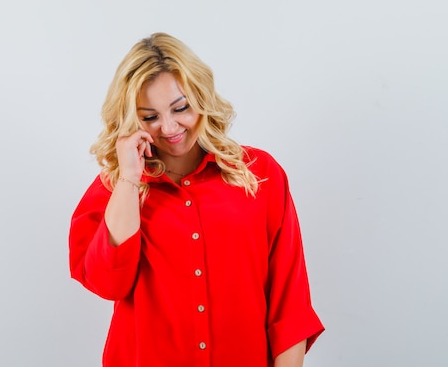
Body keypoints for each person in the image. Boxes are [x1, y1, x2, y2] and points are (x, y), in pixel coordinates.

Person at [69, 32, 324, 367]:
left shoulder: (259, 174)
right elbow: (107, 282)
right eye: (150, 117)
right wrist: (130, 179)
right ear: (133, 120)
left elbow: (289, 302)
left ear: (200, 98)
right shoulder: (115, 189)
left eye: (181, 108)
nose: (170, 126)